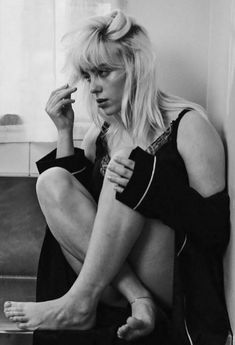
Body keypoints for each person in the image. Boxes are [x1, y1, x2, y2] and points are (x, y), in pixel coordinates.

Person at [4, 9, 231, 344]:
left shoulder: (189, 126)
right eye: (87, 76)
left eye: (103, 72)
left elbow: (214, 231)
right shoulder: (100, 135)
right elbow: (82, 216)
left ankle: (86, 301)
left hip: (174, 282)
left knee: (128, 167)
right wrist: (65, 132)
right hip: (118, 285)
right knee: (52, 179)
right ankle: (135, 299)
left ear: (136, 67)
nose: (93, 87)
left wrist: (150, 186)